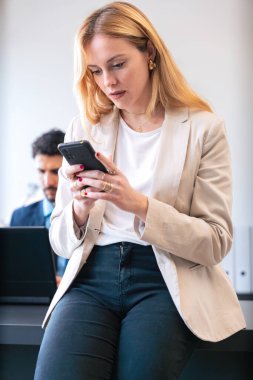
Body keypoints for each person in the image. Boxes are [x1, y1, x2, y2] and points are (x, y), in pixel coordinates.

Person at [34, 2, 246, 379]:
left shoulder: (204, 128)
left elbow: (216, 241)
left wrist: (140, 205)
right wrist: (80, 209)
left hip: (163, 279)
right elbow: (61, 243)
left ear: (149, 52)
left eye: (118, 64)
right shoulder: (85, 126)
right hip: (90, 279)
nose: (108, 82)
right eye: (96, 71)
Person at [10, 128, 68, 284]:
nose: (47, 182)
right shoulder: (20, 217)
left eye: (56, 172)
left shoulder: (92, 215)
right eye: (41, 171)